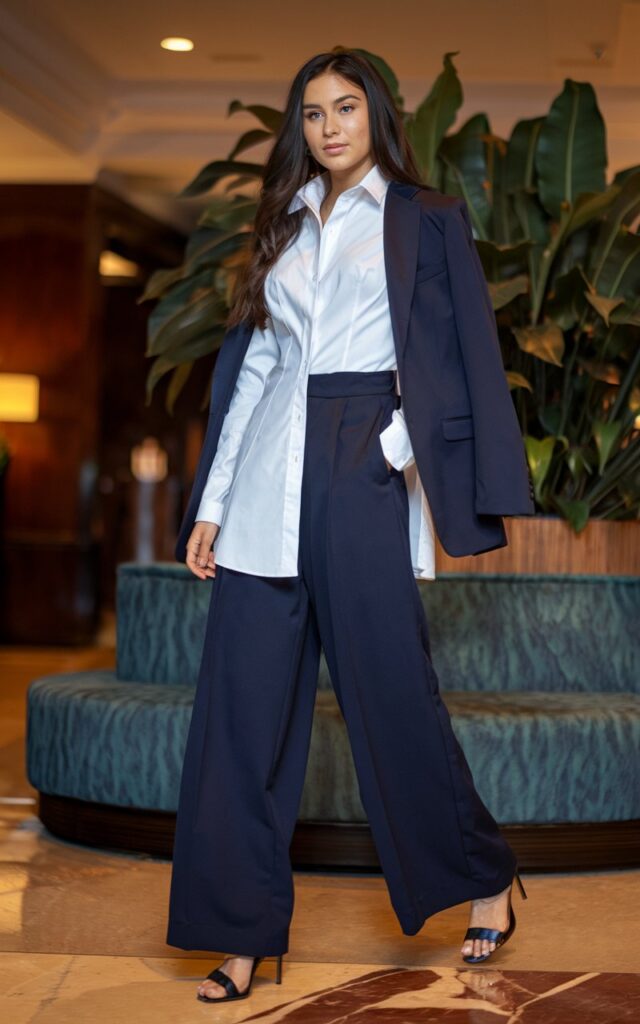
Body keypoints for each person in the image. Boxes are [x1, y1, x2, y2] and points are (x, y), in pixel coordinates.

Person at [166, 49, 533, 1005]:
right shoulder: (281, 221)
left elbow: (451, 353)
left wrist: (390, 446)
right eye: (313, 112)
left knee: (394, 700)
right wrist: (212, 505)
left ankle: (484, 873)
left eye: (346, 107)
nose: (329, 126)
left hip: (362, 467)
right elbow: (254, 370)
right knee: (240, 717)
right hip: (266, 476)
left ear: (377, 115)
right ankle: (239, 933)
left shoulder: (425, 217)